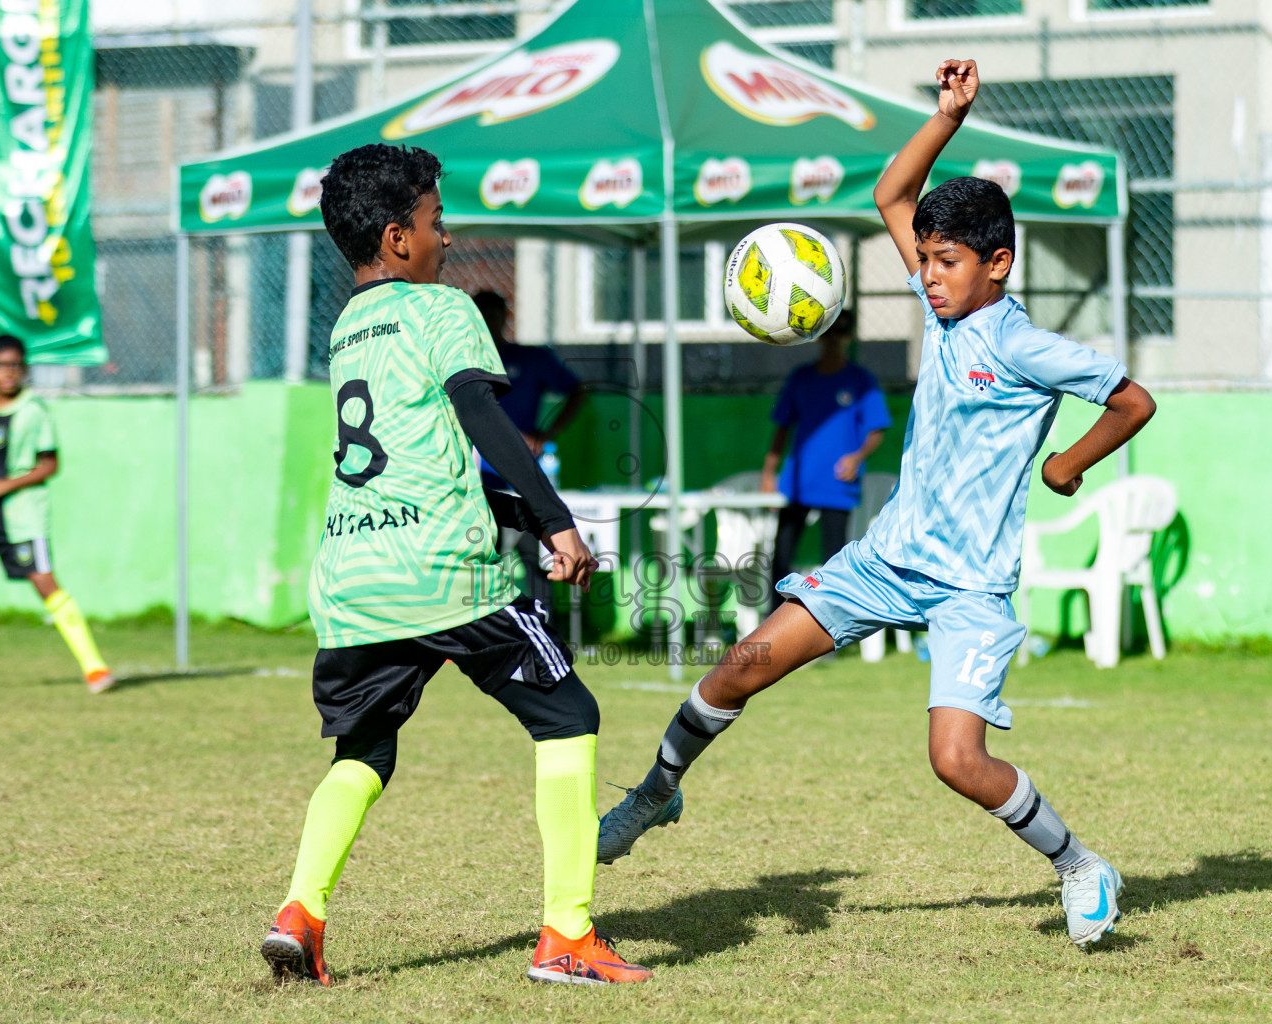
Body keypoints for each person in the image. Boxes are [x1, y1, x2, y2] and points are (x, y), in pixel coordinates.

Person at [596, 60, 1157, 951]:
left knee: (955, 761)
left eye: (946, 261)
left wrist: (1068, 465)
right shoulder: (944, 312)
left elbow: (1132, 400)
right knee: (742, 663)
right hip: (884, 560)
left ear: (997, 264)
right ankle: (652, 795)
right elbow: (893, 191)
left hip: (970, 585)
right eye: (924, 259)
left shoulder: (1027, 345)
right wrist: (948, 117)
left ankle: (1080, 864)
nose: (927, 275)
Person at [260, 143, 651, 988]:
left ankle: (300, 912)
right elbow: (486, 424)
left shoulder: (348, 327)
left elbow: (416, 458)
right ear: (399, 237)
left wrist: (522, 518)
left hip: (354, 574)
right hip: (442, 571)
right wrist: (558, 523)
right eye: (438, 221)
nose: (448, 235)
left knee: (364, 752)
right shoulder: (440, 311)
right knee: (569, 716)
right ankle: (567, 936)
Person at [0, 336, 114, 694]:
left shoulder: (35, 412)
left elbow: (50, 464)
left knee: (45, 582)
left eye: (15, 365)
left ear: (24, 369)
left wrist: (4, 485)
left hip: (21, 517)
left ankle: (96, 669)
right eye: (0, 365)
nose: (8, 373)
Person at [762, 310, 892, 609]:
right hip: (798, 482)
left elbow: (876, 430)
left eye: (840, 332)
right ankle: (771, 620)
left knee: (834, 559)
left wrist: (856, 458)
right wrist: (769, 473)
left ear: (848, 337)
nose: (834, 340)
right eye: (829, 332)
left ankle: (831, 627)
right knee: (781, 553)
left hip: (837, 484)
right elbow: (782, 428)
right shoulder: (802, 379)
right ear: (819, 336)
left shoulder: (861, 382)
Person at [471, 289, 587, 606]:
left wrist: (546, 433)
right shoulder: (462, 360)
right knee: (476, 557)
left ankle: (543, 623)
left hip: (519, 477)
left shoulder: (529, 358)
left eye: (493, 316)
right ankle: (478, 626)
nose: (486, 322)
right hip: (476, 480)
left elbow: (577, 389)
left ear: (505, 318)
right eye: (480, 315)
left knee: (533, 555)